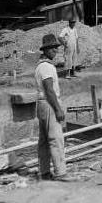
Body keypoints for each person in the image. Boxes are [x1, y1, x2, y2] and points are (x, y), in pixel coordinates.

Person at [35, 33, 70, 181]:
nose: (55, 51)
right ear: (45, 50)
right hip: (49, 103)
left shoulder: (39, 67)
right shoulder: (47, 67)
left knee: (43, 141)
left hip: (41, 104)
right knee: (56, 139)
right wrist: (57, 109)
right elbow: (49, 90)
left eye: (56, 48)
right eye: (52, 48)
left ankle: (44, 172)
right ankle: (60, 172)